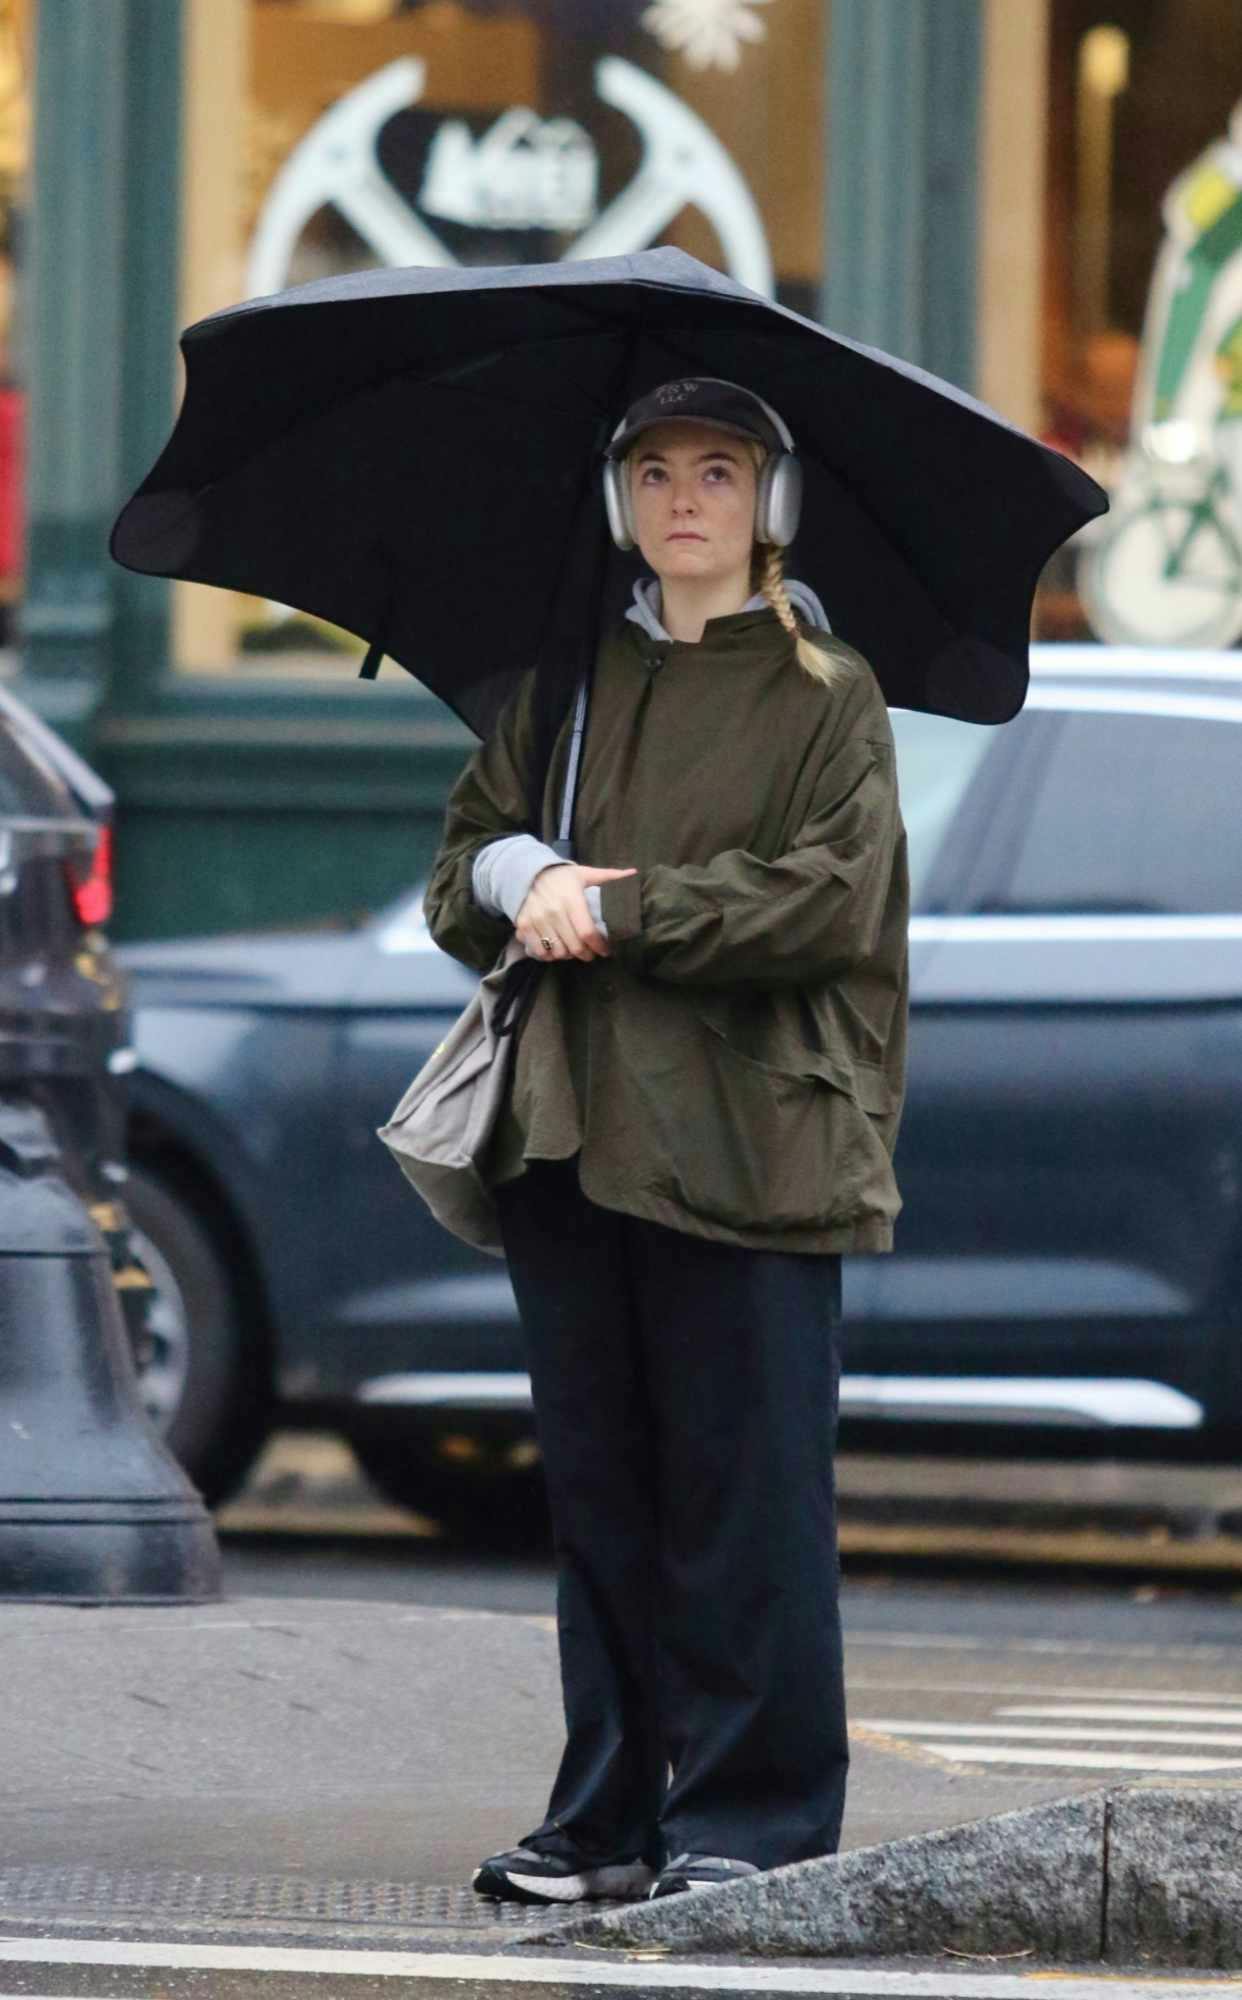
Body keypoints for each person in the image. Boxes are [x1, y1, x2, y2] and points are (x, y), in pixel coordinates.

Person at [421, 375, 910, 1905]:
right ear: (618, 497)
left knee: (745, 1502)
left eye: (715, 469)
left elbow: (824, 904)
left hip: (753, 1145)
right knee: (605, 1498)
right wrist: (515, 873)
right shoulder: (559, 688)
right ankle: (609, 1816)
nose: (680, 498)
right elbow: (453, 880)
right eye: (650, 469)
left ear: (768, 503)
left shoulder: (826, 692)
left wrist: (615, 903)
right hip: (573, 1142)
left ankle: (749, 1824)